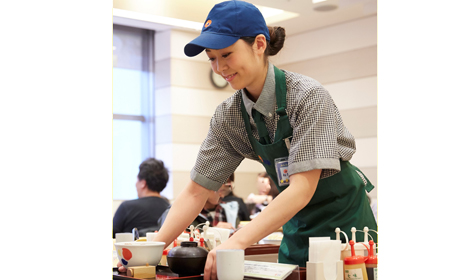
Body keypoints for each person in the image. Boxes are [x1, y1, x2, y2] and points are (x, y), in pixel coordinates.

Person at [119, 1, 377, 279]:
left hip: (346, 231)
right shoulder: (229, 117)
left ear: (259, 44)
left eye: (227, 54)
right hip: (295, 227)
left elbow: (302, 187)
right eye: (212, 58)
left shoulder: (308, 97)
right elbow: (197, 191)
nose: (219, 67)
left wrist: (237, 241)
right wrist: (153, 248)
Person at [112, 157, 170, 238]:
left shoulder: (126, 207)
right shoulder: (169, 208)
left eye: (137, 180)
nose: (136, 184)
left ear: (143, 183)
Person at [158, 179, 238, 230]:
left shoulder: (229, 210)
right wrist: (214, 231)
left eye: (226, 190)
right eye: (220, 190)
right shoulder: (183, 211)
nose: (222, 195)